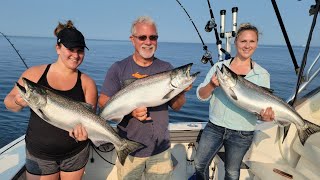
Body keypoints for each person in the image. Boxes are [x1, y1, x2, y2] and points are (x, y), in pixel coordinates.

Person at [98, 15, 191, 180]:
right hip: (129, 149)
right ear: (132, 40)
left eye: (153, 37)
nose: (148, 42)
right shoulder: (118, 68)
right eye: (142, 37)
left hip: (160, 149)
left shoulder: (166, 68)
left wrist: (181, 90)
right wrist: (130, 111)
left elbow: (177, 106)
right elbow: (103, 101)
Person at [4, 20, 97, 180]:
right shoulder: (34, 74)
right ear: (58, 48)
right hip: (39, 154)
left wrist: (84, 134)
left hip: (76, 153)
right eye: (70, 49)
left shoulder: (87, 83)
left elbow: (91, 117)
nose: (75, 55)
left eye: (80, 50)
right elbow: (9, 102)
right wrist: (18, 102)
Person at [194, 23, 275, 180]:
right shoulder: (220, 67)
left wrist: (265, 117)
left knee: (232, 172)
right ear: (236, 42)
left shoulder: (262, 74)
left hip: (242, 132)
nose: (247, 45)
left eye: (252, 41)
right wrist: (211, 85)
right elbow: (200, 96)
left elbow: (259, 111)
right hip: (214, 127)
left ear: (257, 43)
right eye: (243, 41)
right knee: (198, 164)